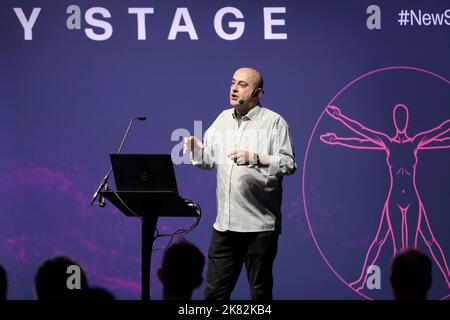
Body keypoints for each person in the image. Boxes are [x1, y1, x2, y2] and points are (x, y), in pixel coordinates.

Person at [184, 67, 296, 300]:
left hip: (259, 227)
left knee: (260, 295)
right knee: (214, 295)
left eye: (243, 85)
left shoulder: (274, 123)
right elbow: (208, 162)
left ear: (258, 93)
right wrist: (196, 149)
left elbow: (288, 164)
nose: (234, 88)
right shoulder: (222, 119)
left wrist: (256, 158)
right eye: (233, 83)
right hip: (224, 226)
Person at [321, 104, 450, 291]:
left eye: (402, 118)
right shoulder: (388, 143)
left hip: (411, 198)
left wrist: (337, 130)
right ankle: (367, 282)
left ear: (405, 121)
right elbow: (361, 136)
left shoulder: (415, 142)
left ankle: (445, 279)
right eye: (398, 118)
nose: (400, 122)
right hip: (395, 198)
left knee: (420, 244)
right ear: (395, 121)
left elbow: (440, 132)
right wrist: (339, 124)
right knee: (388, 244)